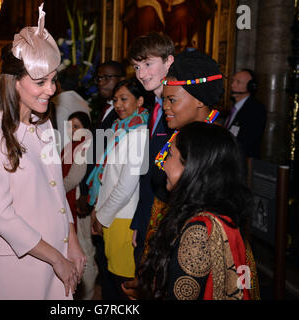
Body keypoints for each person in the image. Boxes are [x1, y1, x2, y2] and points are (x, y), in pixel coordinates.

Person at [0, 4, 86, 300]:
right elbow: (1, 216)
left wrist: (71, 240)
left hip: (56, 252)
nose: (51, 89)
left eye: (53, 79)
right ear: (14, 81)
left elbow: (57, 189)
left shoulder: (43, 124)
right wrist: (56, 258)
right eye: (40, 82)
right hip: (18, 262)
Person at [138, 122, 257, 300]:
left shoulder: (198, 232)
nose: (163, 164)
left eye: (170, 155)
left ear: (192, 166)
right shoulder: (221, 215)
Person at [88, 79, 149, 299]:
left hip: (123, 217)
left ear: (140, 100)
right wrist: (98, 209)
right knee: (113, 282)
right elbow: (107, 179)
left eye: (124, 99)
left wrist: (101, 216)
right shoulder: (120, 129)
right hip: (111, 216)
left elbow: (126, 187)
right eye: (115, 100)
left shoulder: (140, 134)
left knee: (124, 287)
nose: (119, 105)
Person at [128, 32, 175, 267]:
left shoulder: (180, 109)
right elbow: (146, 173)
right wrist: (140, 221)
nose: (141, 74)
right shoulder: (154, 109)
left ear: (169, 61)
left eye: (148, 64)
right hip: (149, 213)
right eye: (137, 67)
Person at [61, 111, 97, 300]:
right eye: (70, 126)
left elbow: (74, 178)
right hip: (68, 202)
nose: (73, 130)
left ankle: (88, 294)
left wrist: (53, 189)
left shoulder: (85, 146)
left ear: (86, 127)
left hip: (78, 205)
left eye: (77, 126)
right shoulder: (70, 146)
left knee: (84, 250)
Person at [224, 69, 267, 159]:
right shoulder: (234, 108)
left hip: (241, 162)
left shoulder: (256, 110)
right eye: (233, 81)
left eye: (238, 82)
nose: (232, 85)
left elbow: (247, 142)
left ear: (250, 87)